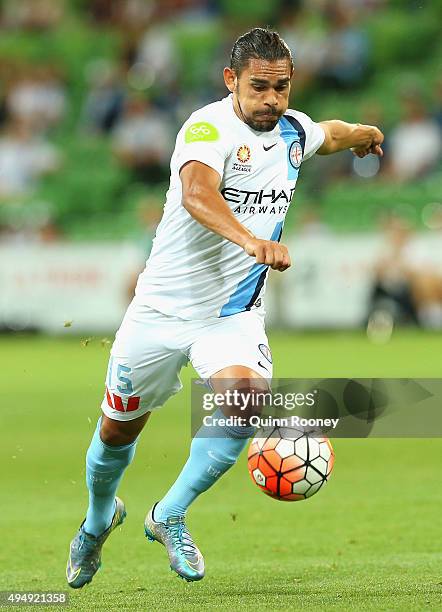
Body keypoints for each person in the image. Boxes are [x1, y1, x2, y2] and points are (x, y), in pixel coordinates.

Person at [66, 27, 383, 587]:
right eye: (259, 87)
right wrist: (250, 240)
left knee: (244, 402)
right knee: (117, 431)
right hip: (161, 310)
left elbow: (324, 134)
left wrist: (359, 134)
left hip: (231, 316)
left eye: (282, 88)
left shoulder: (290, 129)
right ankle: (96, 523)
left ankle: (169, 514)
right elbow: (197, 195)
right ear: (231, 81)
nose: (272, 100)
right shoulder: (207, 127)